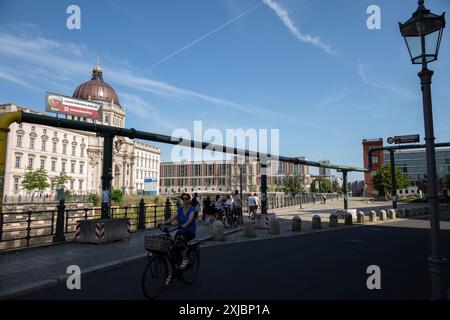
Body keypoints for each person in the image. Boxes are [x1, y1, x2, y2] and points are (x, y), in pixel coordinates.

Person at [158, 193, 196, 286]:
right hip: (180, 231)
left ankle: (185, 259)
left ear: (189, 200)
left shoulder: (192, 209)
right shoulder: (179, 209)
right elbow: (171, 219)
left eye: (186, 199)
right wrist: (163, 223)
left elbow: (190, 219)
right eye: (183, 199)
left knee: (179, 242)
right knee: (171, 252)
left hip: (189, 232)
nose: (185, 200)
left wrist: (186, 224)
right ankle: (170, 275)